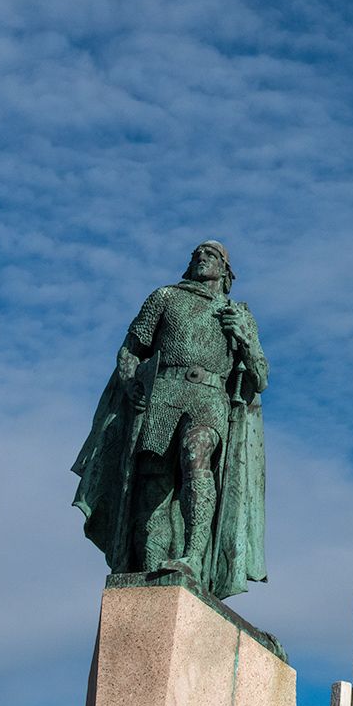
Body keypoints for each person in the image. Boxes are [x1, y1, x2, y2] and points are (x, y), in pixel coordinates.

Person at [72, 241, 268, 599]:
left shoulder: (238, 313)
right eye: (196, 254)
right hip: (163, 392)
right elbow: (131, 349)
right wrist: (131, 383)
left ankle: (193, 555)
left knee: (197, 457)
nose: (200, 258)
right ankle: (151, 568)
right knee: (154, 488)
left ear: (225, 270)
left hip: (208, 397)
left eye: (210, 255)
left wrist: (245, 339)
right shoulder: (164, 296)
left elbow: (260, 380)